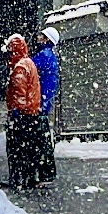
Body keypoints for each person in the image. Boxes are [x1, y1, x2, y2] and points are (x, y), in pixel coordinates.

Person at [2, 32, 42, 190]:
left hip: (22, 116)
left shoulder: (19, 68)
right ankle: (31, 178)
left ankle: (17, 180)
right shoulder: (29, 63)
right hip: (32, 114)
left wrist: (15, 112)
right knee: (30, 149)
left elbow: (19, 93)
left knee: (16, 149)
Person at [33, 26, 60, 183]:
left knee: (41, 141)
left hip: (39, 103)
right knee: (43, 139)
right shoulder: (50, 56)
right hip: (43, 102)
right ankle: (47, 172)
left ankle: (46, 172)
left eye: (41, 35)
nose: (38, 37)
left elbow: (29, 66)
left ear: (47, 39)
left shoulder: (44, 56)